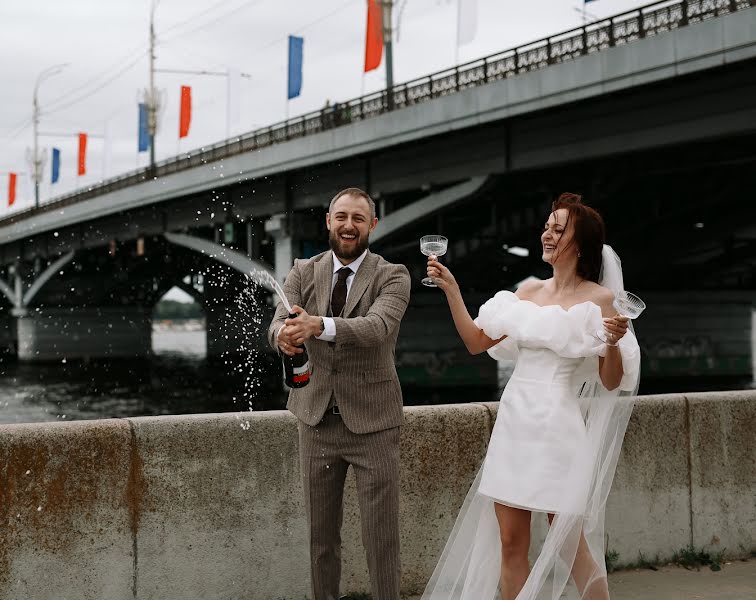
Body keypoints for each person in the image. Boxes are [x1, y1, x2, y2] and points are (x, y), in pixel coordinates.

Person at [422, 193, 641, 600]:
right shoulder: (525, 292)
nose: (547, 234)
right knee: (511, 544)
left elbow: (611, 382)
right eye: (547, 226)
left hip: (558, 428)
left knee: (571, 550)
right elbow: (475, 341)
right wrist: (452, 289)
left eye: (559, 229)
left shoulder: (602, 300)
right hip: (514, 425)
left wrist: (613, 342)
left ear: (580, 244)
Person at [267, 187, 411, 600]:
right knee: (320, 540)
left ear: (372, 226)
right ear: (328, 221)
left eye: (358, 219)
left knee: (381, 541)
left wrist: (317, 326)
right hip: (314, 423)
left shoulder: (393, 275)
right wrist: (284, 336)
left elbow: (377, 327)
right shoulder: (301, 271)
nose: (349, 226)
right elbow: (277, 323)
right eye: (342, 217)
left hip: (374, 426)